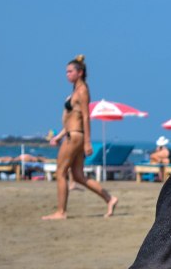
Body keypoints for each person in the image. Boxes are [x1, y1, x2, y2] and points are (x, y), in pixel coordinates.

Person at [42, 55, 118, 220]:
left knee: (60, 171)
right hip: (71, 133)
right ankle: (109, 199)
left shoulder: (82, 90)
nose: (67, 74)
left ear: (80, 72)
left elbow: (85, 116)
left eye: (70, 71)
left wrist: (87, 142)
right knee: (77, 175)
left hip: (75, 136)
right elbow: (71, 119)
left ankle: (61, 211)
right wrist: (59, 136)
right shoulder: (75, 90)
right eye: (66, 72)